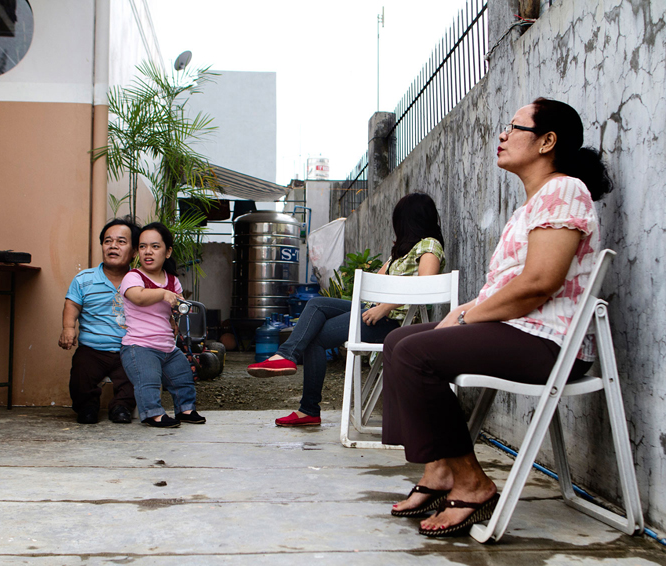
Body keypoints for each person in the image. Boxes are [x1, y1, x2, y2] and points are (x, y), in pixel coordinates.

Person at [382, 98, 613, 537]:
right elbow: (503, 290)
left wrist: (466, 321)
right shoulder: (531, 206)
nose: (502, 135)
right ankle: (440, 470)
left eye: (514, 127)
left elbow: (539, 283)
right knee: (398, 342)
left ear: (547, 141)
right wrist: (463, 312)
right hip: (516, 330)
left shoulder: (565, 190)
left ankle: (472, 483)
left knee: (414, 353)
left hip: (548, 341)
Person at [247, 192, 447, 427]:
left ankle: (308, 409)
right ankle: (286, 356)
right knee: (316, 304)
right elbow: (377, 283)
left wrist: (384, 307)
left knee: (315, 338)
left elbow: (423, 287)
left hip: (394, 322)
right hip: (374, 311)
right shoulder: (404, 251)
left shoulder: (430, 246)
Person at [119, 222, 205, 428]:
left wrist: (178, 312)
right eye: (142, 246)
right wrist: (164, 294)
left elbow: (178, 304)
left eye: (155, 246)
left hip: (167, 346)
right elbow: (138, 297)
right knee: (148, 380)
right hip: (139, 346)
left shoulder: (172, 280)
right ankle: (153, 413)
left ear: (168, 252)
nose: (148, 252)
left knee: (183, 377)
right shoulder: (133, 277)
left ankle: (185, 409)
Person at [59, 218, 140, 425]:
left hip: (128, 348)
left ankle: (121, 407)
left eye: (121, 242)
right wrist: (68, 328)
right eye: (107, 241)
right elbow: (72, 305)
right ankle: (87, 408)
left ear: (134, 251)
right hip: (92, 349)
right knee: (80, 374)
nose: (113, 246)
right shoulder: (84, 279)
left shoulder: (140, 282)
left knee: (136, 374)